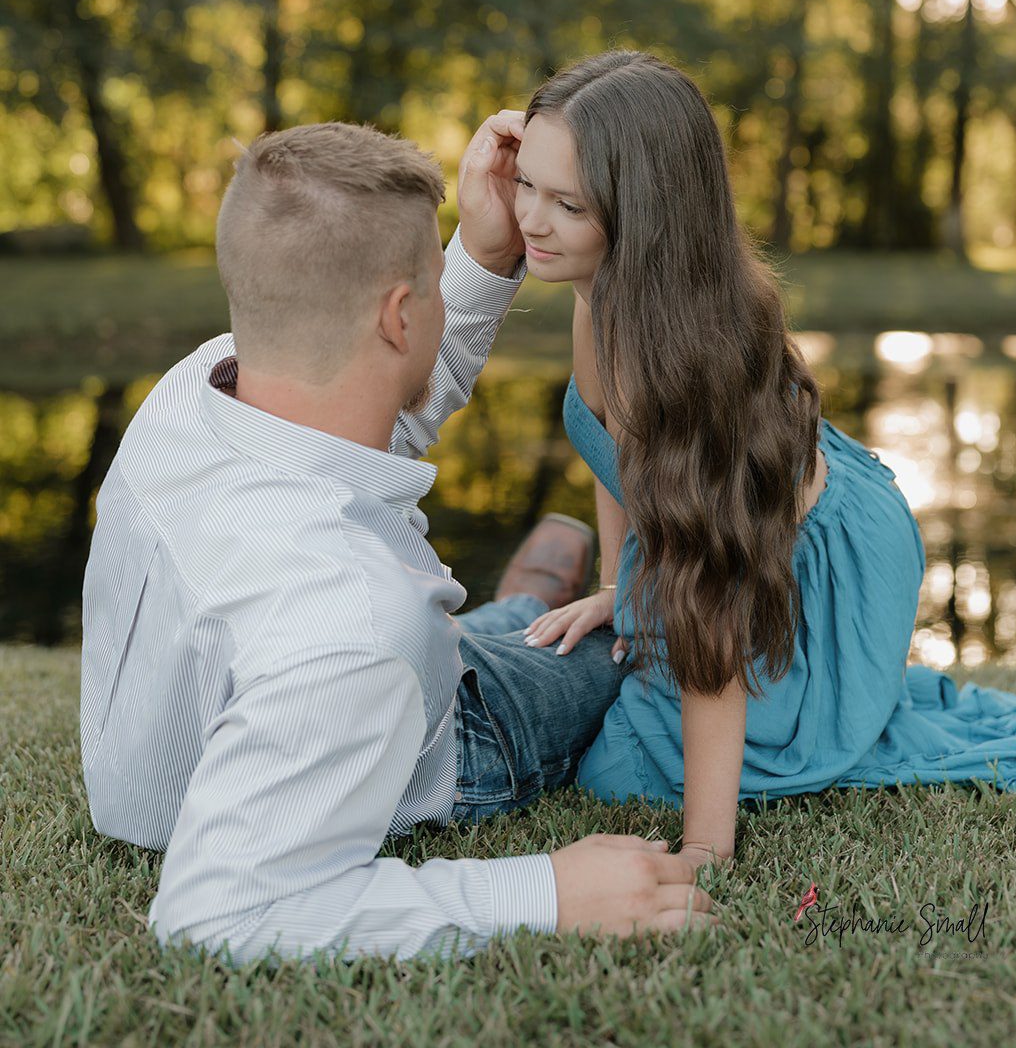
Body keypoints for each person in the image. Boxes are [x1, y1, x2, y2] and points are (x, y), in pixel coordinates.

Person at [80, 115, 715, 965]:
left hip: (204, 728)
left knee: (486, 628)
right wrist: (545, 890)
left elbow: (368, 393)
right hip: (445, 731)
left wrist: (481, 259)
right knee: (641, 640)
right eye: (433, 284)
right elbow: (215, 918)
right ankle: (522, 612)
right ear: (400, 314)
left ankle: (521, 606)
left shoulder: (193, 391)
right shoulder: (354, 622)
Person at [514, 49, 1016, 871]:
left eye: (568, 203)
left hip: (821, 558)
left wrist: (705, 847)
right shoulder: (599, 292)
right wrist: (617, 586)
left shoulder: (676, 370)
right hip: (735, 518)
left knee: (621, 768)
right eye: (523, 181)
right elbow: (612, 460)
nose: (530, 219)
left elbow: (715, 619)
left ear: (647, 214)